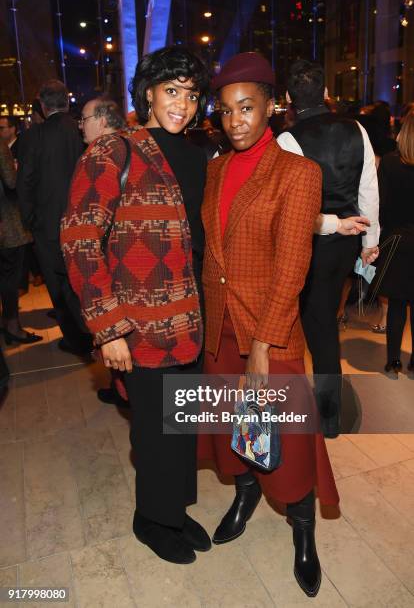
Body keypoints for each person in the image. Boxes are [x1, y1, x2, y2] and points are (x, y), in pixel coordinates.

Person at [61, 46, 210, 565]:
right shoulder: (113, 152)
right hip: (139, 326)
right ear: (148, 91)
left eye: (191, 95)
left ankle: (175, 507)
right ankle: (151, 519)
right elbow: (80, 239)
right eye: (172, 91)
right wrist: (108, 328)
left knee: (181, 425)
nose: (182, 105)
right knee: (151, 430)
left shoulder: (197, 154)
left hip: (190, 318)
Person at [198, 52, 339, 598]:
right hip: (219, 328)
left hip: (267, 330)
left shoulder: (299, 173)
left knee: (288, 444)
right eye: (227, 109)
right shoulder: (213, 169)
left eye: (247, 107)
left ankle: (303, 533)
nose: (236, 120)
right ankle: (243, 496)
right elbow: (213, 253)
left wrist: (262, 344)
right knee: (233, 434)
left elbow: (292, 268)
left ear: (271, 107)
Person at [277, 60, 380, 438]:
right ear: (324, 93)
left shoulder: (287, 141)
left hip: (311, 243)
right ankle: (322, 401)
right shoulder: (357, 129)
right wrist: (369, 242)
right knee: (323, 319)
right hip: (348, 240)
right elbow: (369, 189)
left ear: (288, 98)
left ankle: (328, 413)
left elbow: (289, 209)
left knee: (317, 324)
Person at [16, 79, 92, 355]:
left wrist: (29, 220)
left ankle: (74, 339)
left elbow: (24, 182)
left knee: (59, 284)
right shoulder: (83, 129)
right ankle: (92, 332)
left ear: (42, 105)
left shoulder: (34, 136)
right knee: (84, 278)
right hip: (84, 220)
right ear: (67, 101)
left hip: (47, 224)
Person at [77, 95, 129, 408]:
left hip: (118, 270)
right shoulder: (135, 146)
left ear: (104, 119)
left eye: (84, 118)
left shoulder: (102, 155)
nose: (80, 125)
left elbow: (83, 240)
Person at [374, 112, 414, 374]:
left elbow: (381, 205)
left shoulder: (389, 163)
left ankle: (393, 360)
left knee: (398, 303)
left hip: (397, 241)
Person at [0, 139, 42, 345]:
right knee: (11, 276)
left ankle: (6, 322)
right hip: (6, 222)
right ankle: (12, 326)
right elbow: (11, 180)